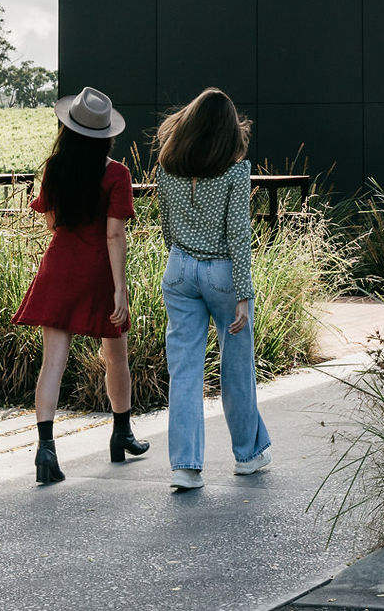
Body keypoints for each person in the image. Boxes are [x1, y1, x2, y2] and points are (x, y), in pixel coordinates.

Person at [11, 86, 149, 484]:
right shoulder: (117, 174)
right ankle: (121, 433)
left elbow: (52, 224)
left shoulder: (55, 167)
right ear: (107, 134)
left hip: (58, 269)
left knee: (52, 363)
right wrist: (119, 288)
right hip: (98, 273)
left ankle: (46, 451)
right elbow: (114, 235)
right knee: (115, 355)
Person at [154, 87, 270, 491]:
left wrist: (185, 253)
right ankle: (248, 455)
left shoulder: (166, 168)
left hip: (179, 269)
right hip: (223, 273)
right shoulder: (237, 173)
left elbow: (166, 227)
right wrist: (243, 294)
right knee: (236, 367)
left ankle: (185, 466)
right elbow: (239, 236)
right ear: (226, 132)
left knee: (183, 370)